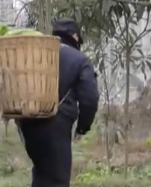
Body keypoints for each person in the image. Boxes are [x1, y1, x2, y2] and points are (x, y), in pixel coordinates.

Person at [18, 18, 99, 187]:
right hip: (55, 126)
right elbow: (90, 98)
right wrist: (83, 127)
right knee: (57, 180)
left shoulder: (38, 53)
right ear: (75, 37)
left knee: (41, 174)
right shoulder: (80, 60)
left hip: (28, 125)